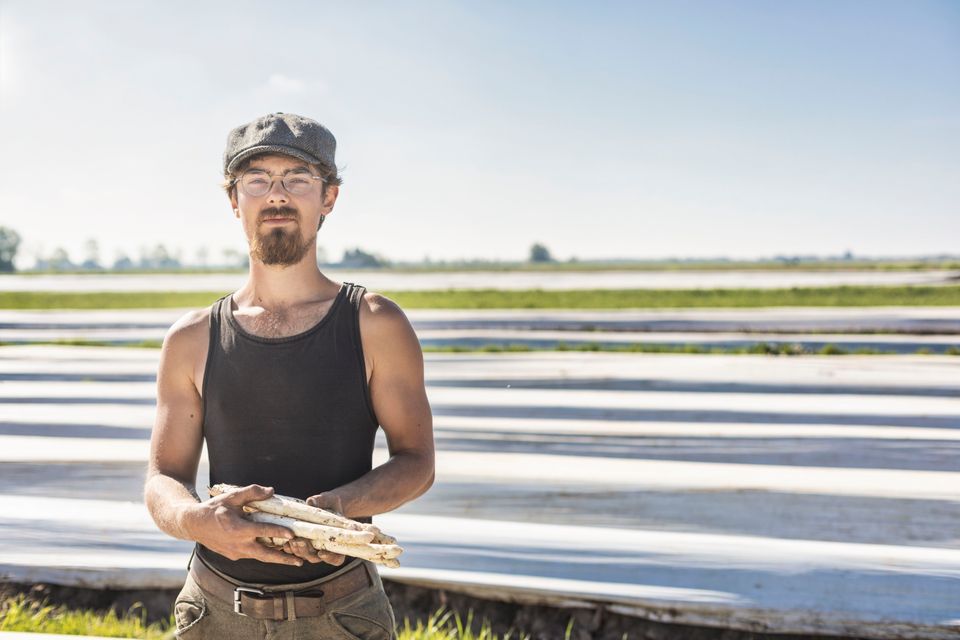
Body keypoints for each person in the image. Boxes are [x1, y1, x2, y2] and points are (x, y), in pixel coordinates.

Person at [144, 112, 435, 639]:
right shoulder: (190, 338)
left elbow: (416, 462)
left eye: (297, 179)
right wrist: (197, 522)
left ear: (328, 198)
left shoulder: (374, 324)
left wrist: (333, 510)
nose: (277, 194)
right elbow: (164, 479)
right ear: (235, 200)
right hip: (213, 612)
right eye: (257, 180)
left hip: (341, 613)